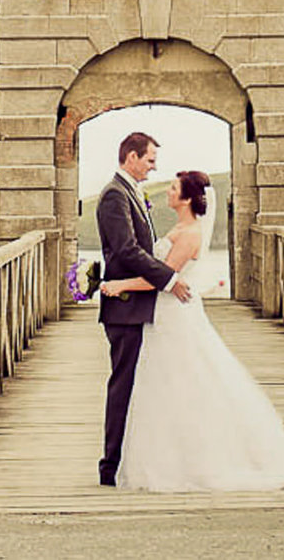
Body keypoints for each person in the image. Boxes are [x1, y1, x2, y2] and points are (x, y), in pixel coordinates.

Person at [103, 168, 284, 492]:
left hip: (175, 316)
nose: (168, 191)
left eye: (173, 188)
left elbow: (163, 278)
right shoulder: (180, 227)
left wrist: (118, 286)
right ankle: (167, 453)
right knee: (167, 386)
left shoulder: (189, 234)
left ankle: (192, 458)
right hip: (164, 316)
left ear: (187, 197)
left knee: (186, 385)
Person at [95, 131, 191, 487]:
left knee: (136, 386)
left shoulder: (128, 192)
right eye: (150, 160)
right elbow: (126, 251)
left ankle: (127, 461)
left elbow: (140, 250)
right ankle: (110, 468)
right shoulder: (113, 196)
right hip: (124, 308)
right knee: (122, 386)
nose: (154, 168)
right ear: (131, 157)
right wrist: (169, 278)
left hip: (136, 304)